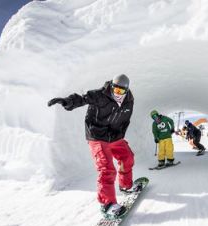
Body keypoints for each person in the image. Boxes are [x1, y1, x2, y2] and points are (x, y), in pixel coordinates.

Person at [48, 74, 140, 218]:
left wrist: (120, 132)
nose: (117, 93)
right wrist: (69, 102)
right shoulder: (100, 95)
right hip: (97, 135)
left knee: (127, 158)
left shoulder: (129, 100)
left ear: (126, 91)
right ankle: (107, 204)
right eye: (115, 89)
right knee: (107, 169)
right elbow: (83, 99)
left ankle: (126, 185)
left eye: (121, 91)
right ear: (111, 86)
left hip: (115, 136)